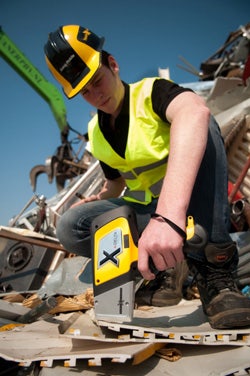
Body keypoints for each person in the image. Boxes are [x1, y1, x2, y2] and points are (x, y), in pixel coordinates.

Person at [44, 25, 250, 329]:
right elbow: (115, 183)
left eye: (96, 81)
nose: (95, 94)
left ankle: (216, 271)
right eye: (84, 92)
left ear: (113, 64)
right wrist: (99, 198)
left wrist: (167, 218)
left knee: (202, 124)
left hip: (191, 210)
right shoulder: (97, 133)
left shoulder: (151, 93)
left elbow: (195, 113)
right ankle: (164, 266)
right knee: (71, 225)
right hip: (152, 217)